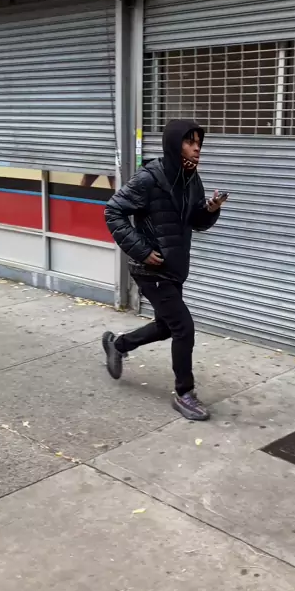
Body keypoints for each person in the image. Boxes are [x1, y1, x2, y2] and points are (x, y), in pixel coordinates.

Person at [102, 119, 228, 421]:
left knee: (166, 326)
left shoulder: (190, 179)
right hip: (150, 269)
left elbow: (195, 221)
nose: (197, 148)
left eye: (199, 143)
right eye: (190, 142)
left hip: (174, 267)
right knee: (183, 327)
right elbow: (113, 210)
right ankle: (185, 393)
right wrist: (143, 251)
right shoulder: (149, 179)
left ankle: (117, 345)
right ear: (174, 144)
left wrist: (210, 210)